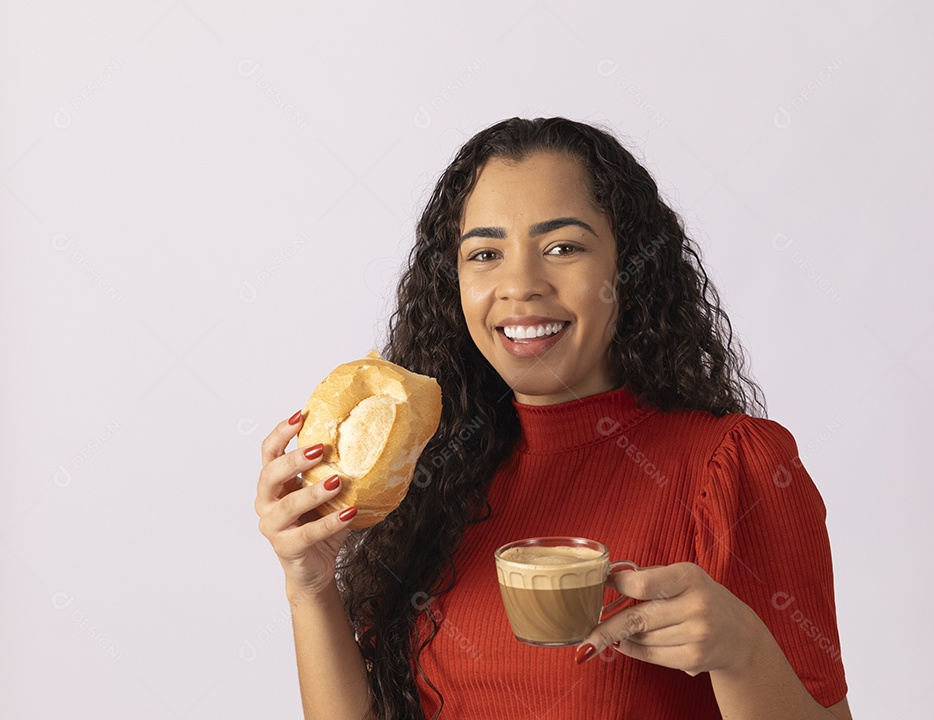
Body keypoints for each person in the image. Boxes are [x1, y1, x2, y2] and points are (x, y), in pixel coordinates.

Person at [256, 117, 851, 719]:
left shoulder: (732, 464)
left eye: (563, 247)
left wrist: (742, 650)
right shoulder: (430, 471)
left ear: (628, 267)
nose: (520, 285)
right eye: (485, 253)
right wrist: (308, 582)